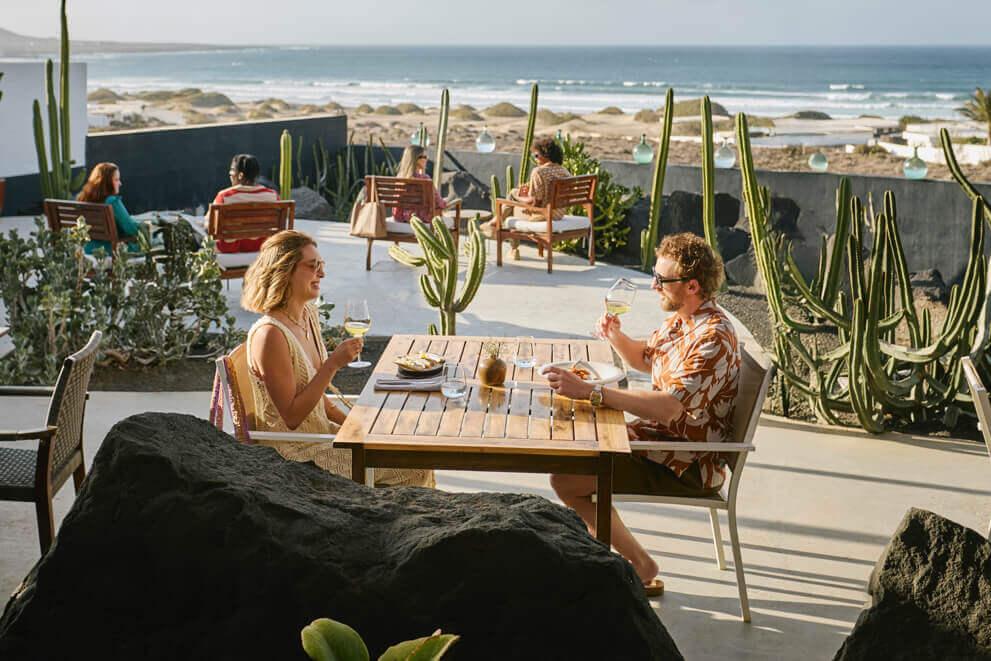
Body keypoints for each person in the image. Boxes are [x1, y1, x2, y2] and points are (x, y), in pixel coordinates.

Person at [545, 233, 740, 597]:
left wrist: (592, 392)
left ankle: (639, 564)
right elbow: (643, 358)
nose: (653, 286)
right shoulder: (685, 318)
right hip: (660, 442)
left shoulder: (712, 337)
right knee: (573, 446)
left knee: (567, 476)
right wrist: (616, 336)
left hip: (686, 463)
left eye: (661, 280)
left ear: (692, 285)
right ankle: (601, 556)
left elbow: (668, 406)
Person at [241, 229, 435, 488]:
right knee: (413, 465)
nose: (322, 273)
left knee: (414, 451)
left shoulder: (307, 316)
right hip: (299, 453)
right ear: (284, 271)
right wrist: (332, 364)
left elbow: (322, 404)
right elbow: (291, 417)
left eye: (321, 265)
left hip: (324, 437)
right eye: (313, 266)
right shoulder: (270, 335)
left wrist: (363, 429)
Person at [481, 137, 571, 260]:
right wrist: (526, 193)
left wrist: (517, 197)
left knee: (512, 200)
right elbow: (544, 194)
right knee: (514, 197)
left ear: (545, 155)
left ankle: (497, 229)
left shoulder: (539, 172)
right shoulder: (564, 171)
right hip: (558, 213)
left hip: (543, 215)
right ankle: (496, 224)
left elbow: (534, 202)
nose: (535, 159)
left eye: (536, 155)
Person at [211, 154, 279, 253]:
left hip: (229, 248)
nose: (230, 173)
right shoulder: (273, 195)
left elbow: (212, 225)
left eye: (232, 170)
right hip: (263, 245)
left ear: (240, 175)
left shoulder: (225, 196)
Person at [76, 162, 143, 255]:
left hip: (88, 248)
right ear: (106, 182)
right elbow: (132, 229)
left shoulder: (82, 199)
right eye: (116, 180)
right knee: (149, 243)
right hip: (110, 250)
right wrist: (144, 226)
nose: (120, 183)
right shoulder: (112, 201)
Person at [391, 145, 446, 223]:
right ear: (415, 159)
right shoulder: (425, 179)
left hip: (400, 218)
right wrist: (445, 203)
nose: (426, 159)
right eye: (423, 156)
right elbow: (438, 203)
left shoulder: (400, 178)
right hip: (420, 220)